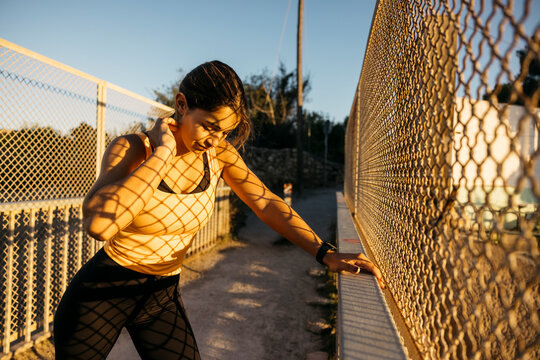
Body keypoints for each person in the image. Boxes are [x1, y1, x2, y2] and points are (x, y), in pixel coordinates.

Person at [53, 60, 385, 360]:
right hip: (99, 295)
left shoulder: (219, 154)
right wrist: (163, 154)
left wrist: (324, 252)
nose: (216, 139)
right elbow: (99, 224)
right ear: (181, 105)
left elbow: (266, 203)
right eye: (210, 126)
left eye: (224, 131)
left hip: (160, 296)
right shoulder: (133, 148)